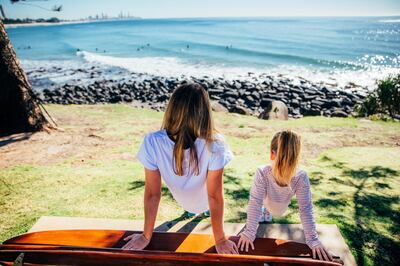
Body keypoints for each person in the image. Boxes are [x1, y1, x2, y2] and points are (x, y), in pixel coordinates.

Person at [122, 83, 238, 254]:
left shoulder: (152, 141)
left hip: (186, 199)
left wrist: (146, 236)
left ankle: (193, 211)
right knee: (205, 193)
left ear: (172, 109)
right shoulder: (215, 144)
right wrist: (220, 239)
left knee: (196, 197)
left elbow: (153, 194)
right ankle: (195, 211)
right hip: (204, 200)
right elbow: (214, 196)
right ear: (204, 112)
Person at [237, 130, 333, 261]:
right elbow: (255, 203)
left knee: (276, 211)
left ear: (272, 154)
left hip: (281, 205)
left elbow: (305, 209)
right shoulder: (262, 173)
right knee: (263, 206)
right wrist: (249, 233)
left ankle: (266, 212)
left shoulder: (300, 177)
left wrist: (313, 240)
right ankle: (265, 212)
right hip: (266, 200)